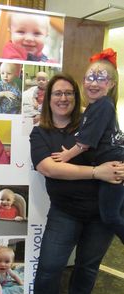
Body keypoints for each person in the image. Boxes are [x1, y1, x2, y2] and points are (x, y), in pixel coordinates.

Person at [29, 73, 124, 294]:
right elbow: (49, 168)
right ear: (48, 99)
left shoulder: (92, 122)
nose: (63, 98)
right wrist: (96, 172)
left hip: (101, 215)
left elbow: (116, 146)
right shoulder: (40, 132)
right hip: (65, 213)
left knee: (87, 269)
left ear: (76, 96)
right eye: (58, 93)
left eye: (69, 93)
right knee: (48, 271)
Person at [51, 49, 124, 243]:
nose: (93, 83)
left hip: (114, 167)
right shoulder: (98, 107)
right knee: (113, 211)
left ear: (111, 84)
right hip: (113, 164)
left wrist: (67, 156)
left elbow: (85, 142)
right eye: (89, 77)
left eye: (101, 79)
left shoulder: (103, 106)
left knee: (110, 215)